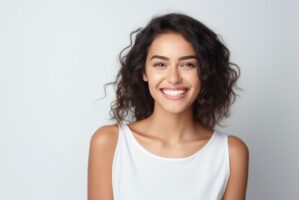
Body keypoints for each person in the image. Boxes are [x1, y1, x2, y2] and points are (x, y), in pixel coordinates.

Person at [88, 13, 249, 200]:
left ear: (205, 72)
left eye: (188, 64)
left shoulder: (231, 153)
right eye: (160, 64)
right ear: (144, 72)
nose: (173, 78)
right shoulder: (110, 143)